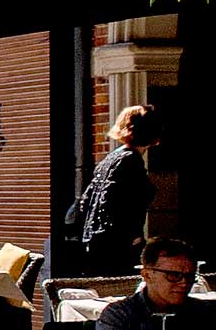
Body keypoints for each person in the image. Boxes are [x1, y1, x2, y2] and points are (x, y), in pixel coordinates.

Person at [61, 104, 161, 276]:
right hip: (116, 245)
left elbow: (85, 201)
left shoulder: (111, 158)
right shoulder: (131, 160)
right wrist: (132, 236)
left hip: (95, 240)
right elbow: (116, 201)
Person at [95, 237, 216, 330]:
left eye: (190, 276)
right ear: (147, 275)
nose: (184, 283)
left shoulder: (204, 312)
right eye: (174, 275)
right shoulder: (119, 315)